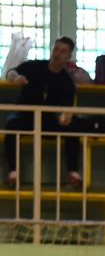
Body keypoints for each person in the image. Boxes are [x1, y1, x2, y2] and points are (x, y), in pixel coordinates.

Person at [3, 36, 81, 187]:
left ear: (69, 57)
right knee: (11, 124)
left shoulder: (67, 82)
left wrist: (65, 118)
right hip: (24, 116)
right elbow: (10, 73)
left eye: (63, 51)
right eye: (56, 49)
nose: (57, 54)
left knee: (73, 128)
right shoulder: (34, 66)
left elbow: (67, 110)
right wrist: (16, 78)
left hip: (48, 121)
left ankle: (73, 172)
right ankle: (13, 173)